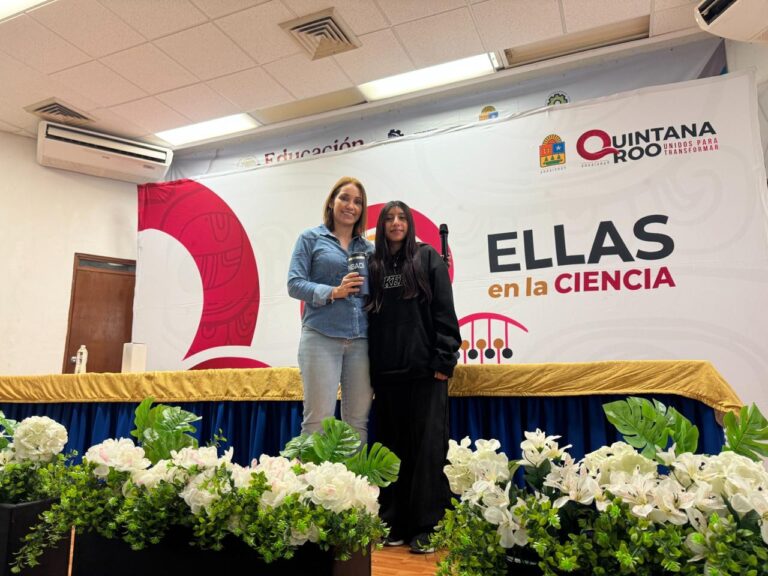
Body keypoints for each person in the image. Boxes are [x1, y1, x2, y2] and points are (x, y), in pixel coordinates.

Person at [366, 200, 461, 554]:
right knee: (392, 452)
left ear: (409, 224)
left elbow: (444, 311)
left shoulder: (427, 257)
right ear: (381, 226)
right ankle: (394, 522)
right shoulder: (373, 266)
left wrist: (444, 359)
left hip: (426, 373)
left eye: (401, 217)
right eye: (389, 218)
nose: (395, 223)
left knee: (427, 450)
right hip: (387, 377)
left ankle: (426, 526)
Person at [287, 176, 374, 445]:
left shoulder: (369, 249)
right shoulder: (310, 238)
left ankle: (355, 476)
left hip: (361, 341)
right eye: (344, 198)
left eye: (357, 201)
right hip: (321, 337)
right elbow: (294, 284)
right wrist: (333, 291)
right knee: (317, 421)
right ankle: (314, 475)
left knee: (357, 423)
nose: (350, 205)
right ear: (331, 202)